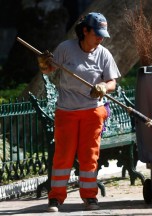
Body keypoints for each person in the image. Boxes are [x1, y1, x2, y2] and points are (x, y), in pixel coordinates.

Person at [37, 12, 120, 212]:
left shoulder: (103, 54)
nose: (100, 38)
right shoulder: (66, 49)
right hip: (67, 112)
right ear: (85, 31)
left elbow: (112, 82)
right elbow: (48, 69)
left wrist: (102, 86)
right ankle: (55, 198)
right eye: (97, 33)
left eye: (103, 35)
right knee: (63, 156)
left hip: (93, 111)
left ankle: (90, 198)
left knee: (89, 156)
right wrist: (43, 63)